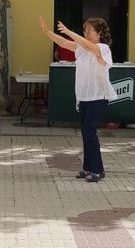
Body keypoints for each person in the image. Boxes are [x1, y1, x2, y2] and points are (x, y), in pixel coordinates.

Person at [40, 15, 114, 183]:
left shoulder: (103, 48)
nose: (86, 34)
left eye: (89, 31)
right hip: (85, 97)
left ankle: (98, 170)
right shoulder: (82, 49)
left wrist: (69, 31)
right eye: (85, 31)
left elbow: (88, 45)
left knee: (90, 131)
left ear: (99, 33)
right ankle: (87, 168)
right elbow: (64, 43)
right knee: (86, 133)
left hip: (98, 96)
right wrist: (47, 32)